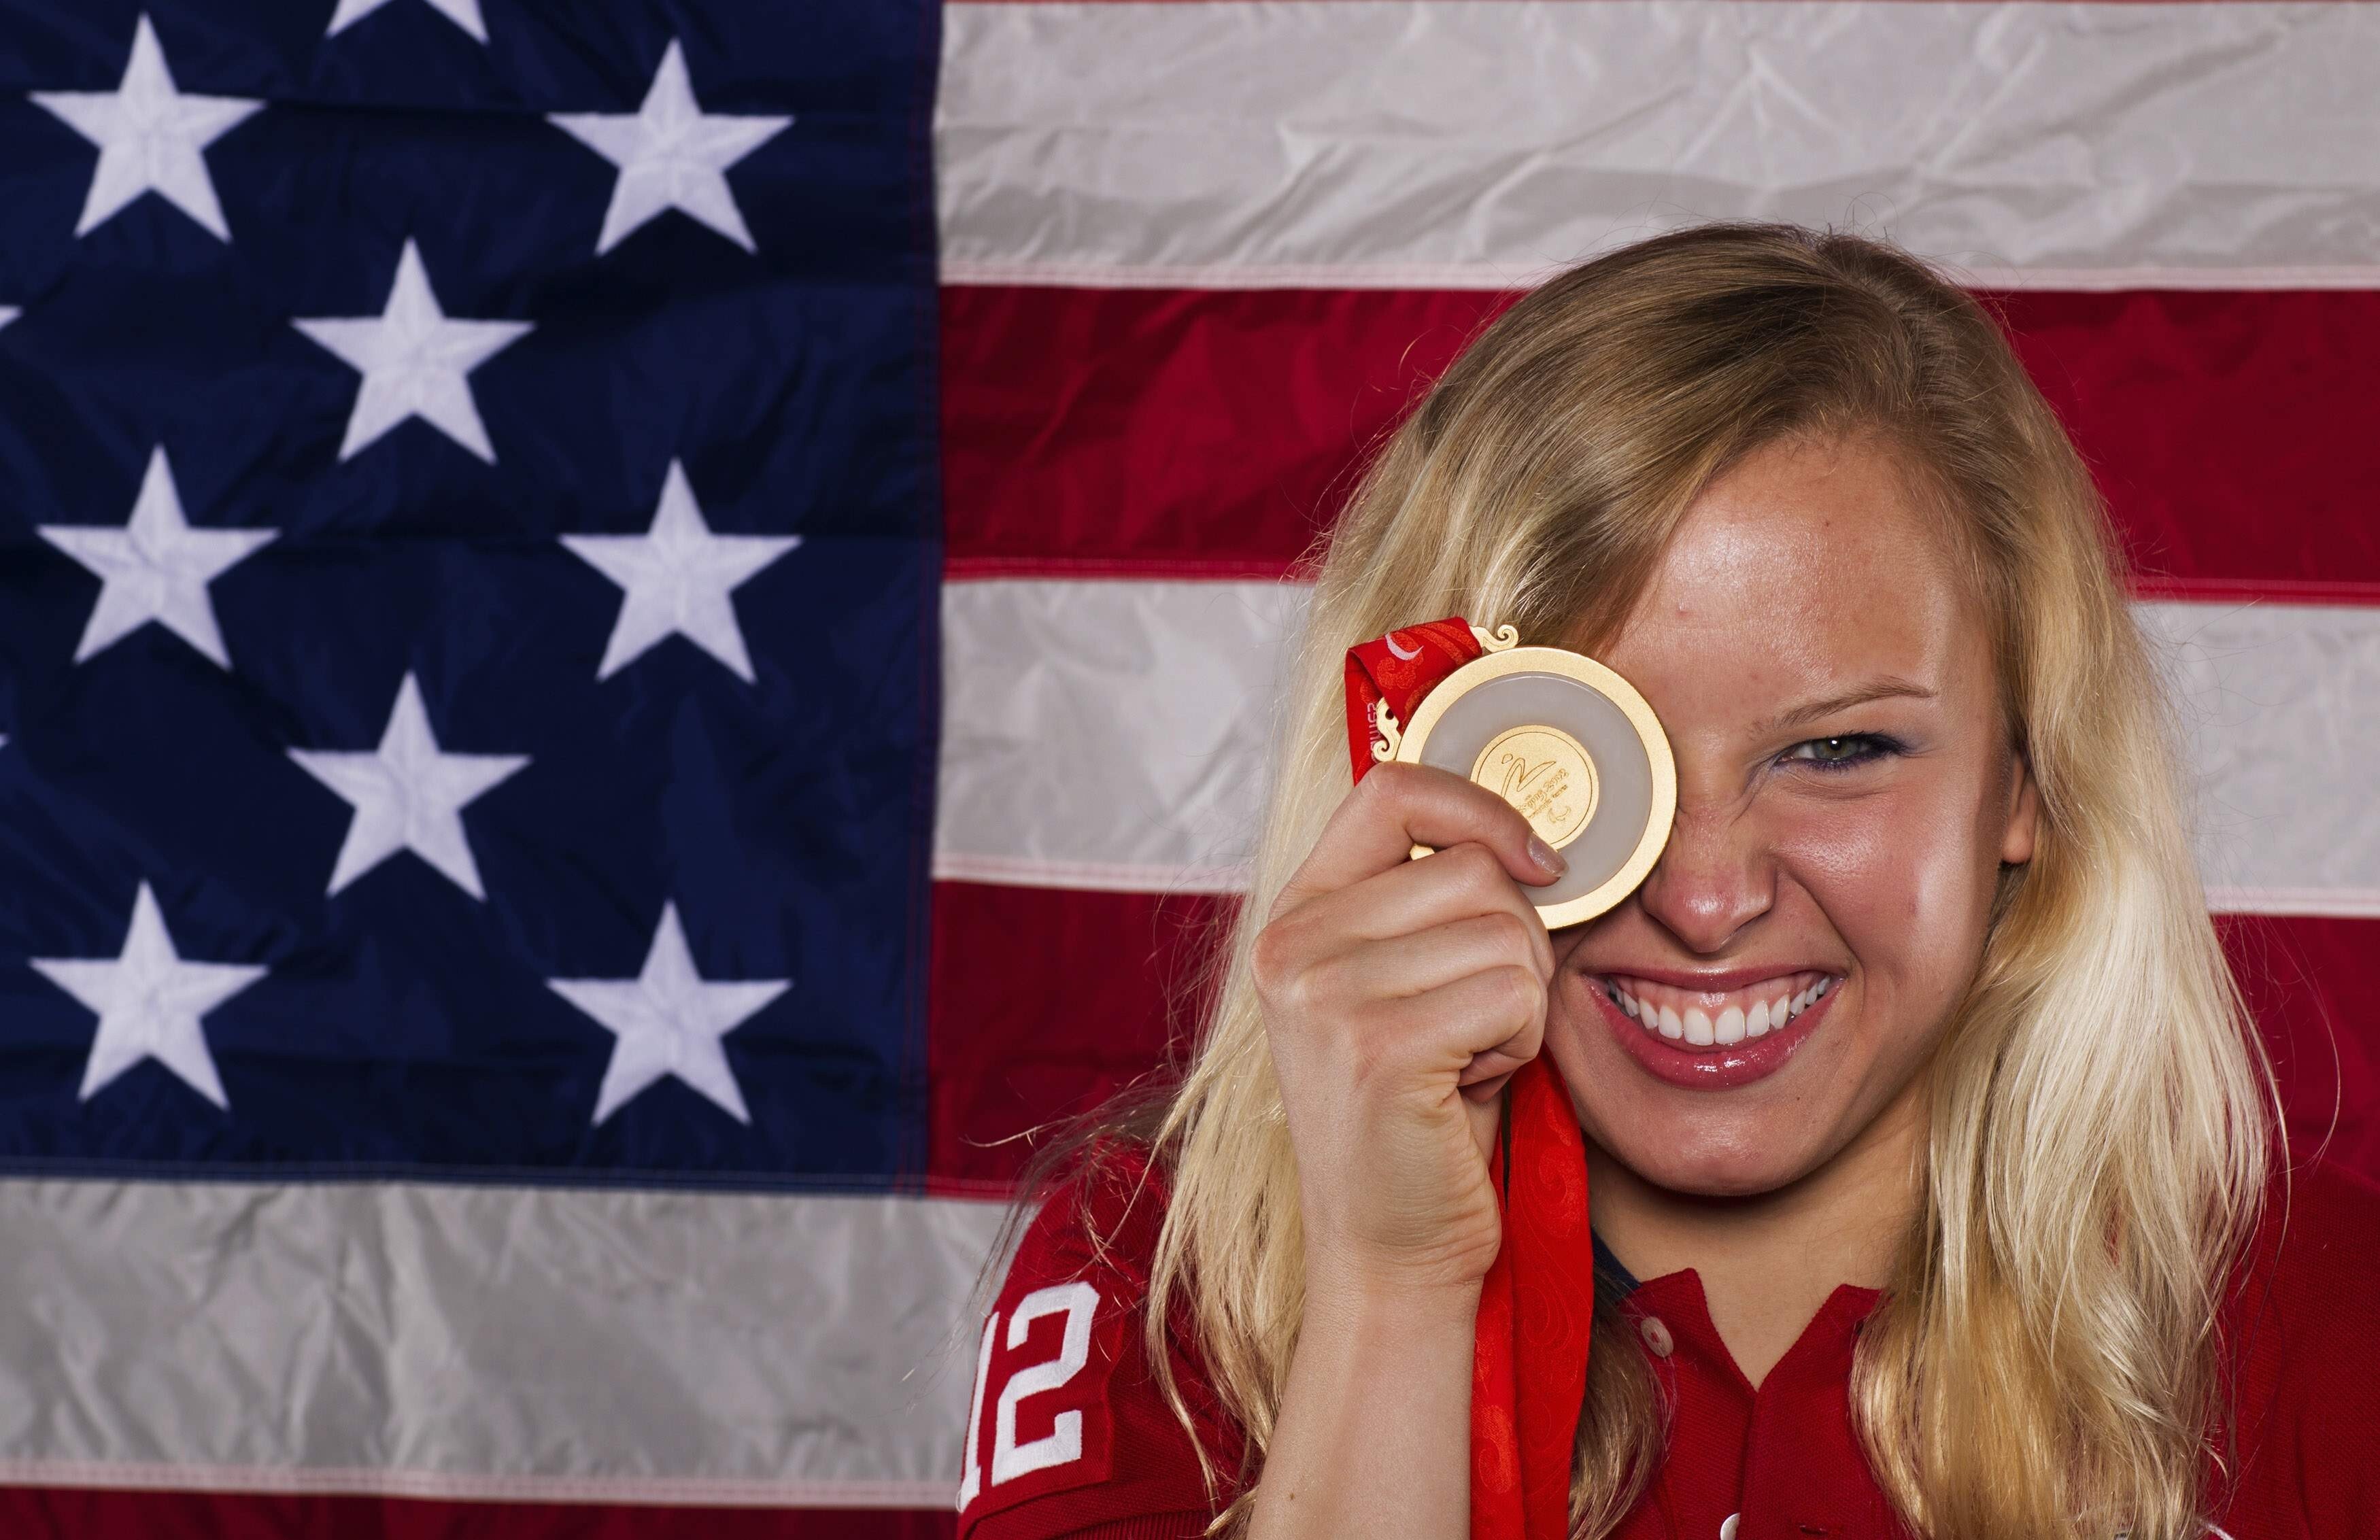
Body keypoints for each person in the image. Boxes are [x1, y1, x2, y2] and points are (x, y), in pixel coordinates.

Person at [951, 223, 2380, 1540]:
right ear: (1422, 764)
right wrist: (1392, 1290)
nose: (1702, 900)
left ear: (2021, 781)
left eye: (1836, 747)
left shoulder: (2324, 1321)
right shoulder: (1160, 1283)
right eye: (1586, 760)